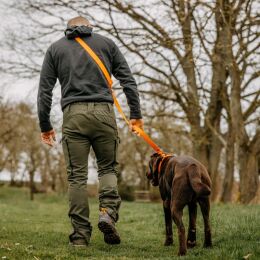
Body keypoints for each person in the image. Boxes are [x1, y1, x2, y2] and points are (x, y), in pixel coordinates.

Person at [37, 16, 143, 246]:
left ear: (67, 29)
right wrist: (135, 115)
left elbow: (44, 91)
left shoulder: (55, 49)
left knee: (76, 177)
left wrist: (45, 126)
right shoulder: (106, 44)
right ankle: (107, 213)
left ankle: (80, 237)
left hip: (73, 115)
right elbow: (128, 81)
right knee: (108, 169)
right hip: (104, 114)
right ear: (89, 28)